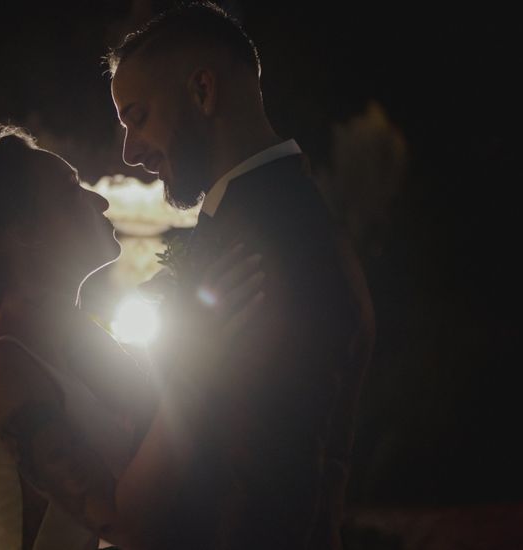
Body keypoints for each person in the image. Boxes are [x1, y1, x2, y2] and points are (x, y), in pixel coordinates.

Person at [0, 126, 265, 549]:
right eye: (71, 190)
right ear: (27, 234)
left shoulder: (84, 340)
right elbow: (120, 523)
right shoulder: (2, 367)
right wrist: (197, 362)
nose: (99, 200)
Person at [106, 2, 376, 548]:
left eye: (137, 117)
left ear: (203, 90)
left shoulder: (263, 242)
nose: (130, 151)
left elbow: (264, 472)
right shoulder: (281, 216)